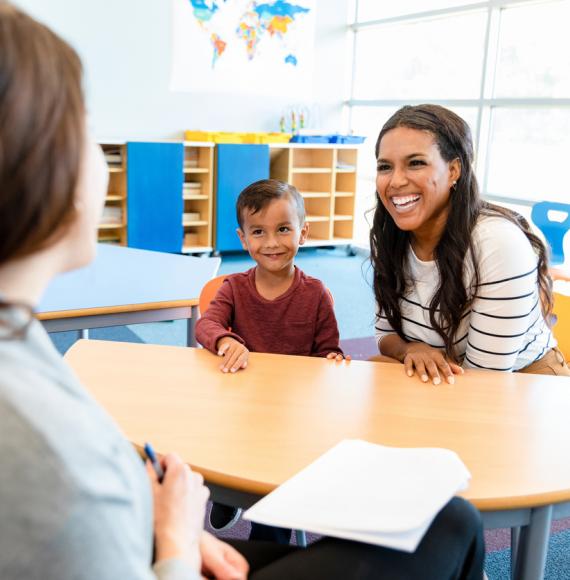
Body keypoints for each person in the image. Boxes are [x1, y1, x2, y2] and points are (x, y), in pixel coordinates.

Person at [0, 5, 485, 578]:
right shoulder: (21, 414)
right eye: (84, 130)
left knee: (449, 520)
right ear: (39, 163)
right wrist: (176, 540)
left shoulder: (20, 340)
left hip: (161, 544)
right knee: (452, 525)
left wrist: (164, 536)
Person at [370, 104, 570, 382]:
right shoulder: (391, 232)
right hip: (450, 376)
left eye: (416, 163)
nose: (396, 180)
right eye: (385, 166)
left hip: (521, 381)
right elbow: (385, 333)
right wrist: (410, 349)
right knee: (373, 368)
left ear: (454, 170)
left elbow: (484, 379)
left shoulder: (497, 243)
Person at [196, 178, 347, 541]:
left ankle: (267, 533)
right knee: (218, 446)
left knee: (274, 495)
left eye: (283, 229)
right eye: (258, 232)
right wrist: (226, 341)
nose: (272, 243)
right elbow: (207, 325)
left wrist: (333, 360)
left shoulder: (316, 295)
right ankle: (227, 492)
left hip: (293, 413)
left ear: (303, 232)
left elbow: (329, 350)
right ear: (243, 239)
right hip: (242, 405)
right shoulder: (233, 287)